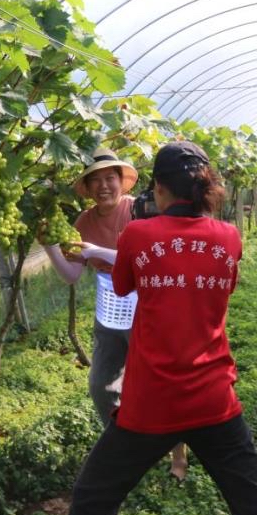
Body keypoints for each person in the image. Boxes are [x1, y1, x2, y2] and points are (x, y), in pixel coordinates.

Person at [66, 141, 257, 515]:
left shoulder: (137, 235)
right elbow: (225, 287)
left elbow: (121, 286)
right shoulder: (229, 237)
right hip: (213, 397)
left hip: (150, 401)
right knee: (256, 500)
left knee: (93, 498)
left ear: (158, 188)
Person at [39, 147, 188, 479]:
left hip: (148, 307)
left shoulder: (140, 210)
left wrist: (100, 251)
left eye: (110, 178)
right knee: (102, 385)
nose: (104, 186)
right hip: (111, 310)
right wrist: (48, 245)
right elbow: (72, 275)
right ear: (88, 188)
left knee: (158, 383)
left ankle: (178, 454)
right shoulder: (84, 222)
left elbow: (153, 258)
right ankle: (128, 445)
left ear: (122, 182)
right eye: (96, 181)